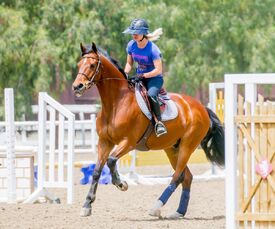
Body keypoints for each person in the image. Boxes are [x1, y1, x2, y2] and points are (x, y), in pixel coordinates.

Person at [123, 18, 167, 137]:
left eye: (136, 32)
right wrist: (125, 74)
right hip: (139, 77)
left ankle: (159, 123)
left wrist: (143, 75)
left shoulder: (153, 50)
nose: (134, 35)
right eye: (132, 32)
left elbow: (158, 70)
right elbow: (129, 63)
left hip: (154, 79)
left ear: (144, 33)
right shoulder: (131, 45)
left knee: (151, 95)